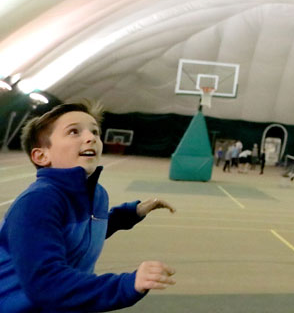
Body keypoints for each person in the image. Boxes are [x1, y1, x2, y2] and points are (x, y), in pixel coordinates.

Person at [0, 101, 176, 313]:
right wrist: (127, 284)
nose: (91, 137)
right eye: (74, 131)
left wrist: (130, 213)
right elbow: (46, 284)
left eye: (95, 131)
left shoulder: (97, 194)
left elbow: (85, 233)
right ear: (41, 156)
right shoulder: (38, 202)